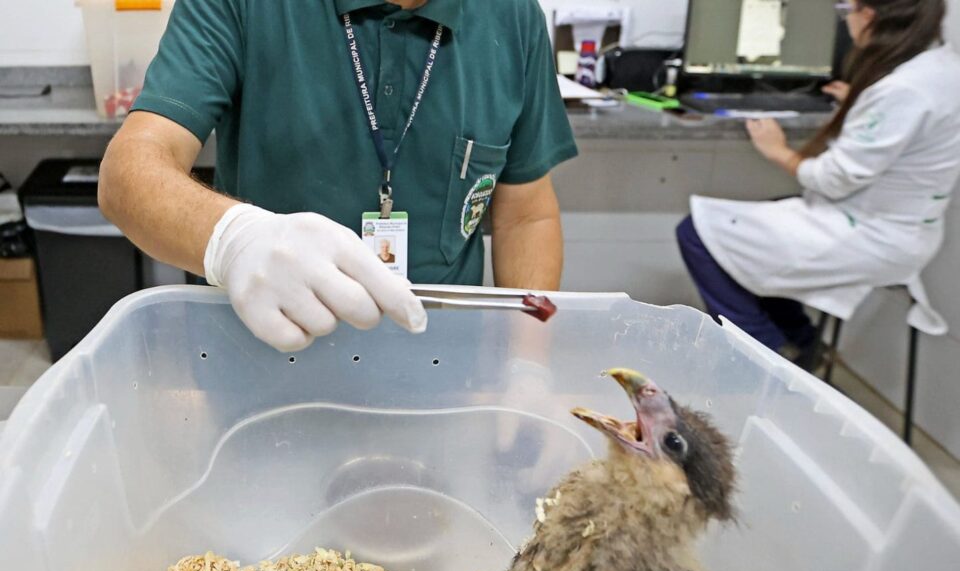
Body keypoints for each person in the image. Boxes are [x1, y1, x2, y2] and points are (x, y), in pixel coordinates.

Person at [99, 0, 577, 353]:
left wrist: (528, 366)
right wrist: (234, 239)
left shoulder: (512, 17)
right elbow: (129, 172)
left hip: (440, 368)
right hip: (268, 362)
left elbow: (526, 216)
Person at [676, 0, 960, 365]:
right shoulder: (942, 67)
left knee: (696, 233)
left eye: (847, 11)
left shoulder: (901, 90)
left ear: (868, 16)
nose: (847, 21)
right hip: (905, 229)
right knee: (753, 232)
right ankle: (803, 342)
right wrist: (861, 103)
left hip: (872, 235)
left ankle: (762, 359)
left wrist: (778, 150)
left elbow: (833, 179)